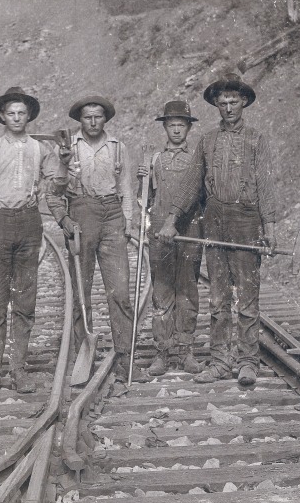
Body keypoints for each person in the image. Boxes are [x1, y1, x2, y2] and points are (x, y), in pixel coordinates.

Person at [158, 72, 278, 389]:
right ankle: (221, 360)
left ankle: (248, 361)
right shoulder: (208, 142)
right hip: (214, 219)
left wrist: (271, 226)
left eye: (233, 101)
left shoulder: (256, 140)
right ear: (216, 105)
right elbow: (189, 184)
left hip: (246, 220)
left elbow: (266, 185)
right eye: (222, 102)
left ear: (244, 103)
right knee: (218, 298)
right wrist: (171, 219)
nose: (227, 107)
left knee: (248, 298)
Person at [0, 87, 61, 395]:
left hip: (28, 222)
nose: (17, 118)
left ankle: (18, 369)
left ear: (29, 116)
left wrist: (64, 162)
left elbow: (57, 183)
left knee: (25, 299)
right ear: (2, 116)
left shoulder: (40, 149)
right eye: (11, 113)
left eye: (22, 113)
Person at [46, 96, 135, 388]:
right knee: (81, 291)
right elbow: (53, 190)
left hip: (112, 215)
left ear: (105, 119)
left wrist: (128, 222)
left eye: (98, 117)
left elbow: (126, 187)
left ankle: (125, 359)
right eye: (87, 118)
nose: (93, 122)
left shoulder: (118, 148)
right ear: (80, 120)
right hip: (81, 212)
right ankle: (84, 355)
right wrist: (64, 219)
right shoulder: (66, 148)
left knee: (120, 291)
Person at [136, 100, 205, 377]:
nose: (176, 130)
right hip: (160, 235)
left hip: (190, 232)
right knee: (162, 292)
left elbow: (203, 196)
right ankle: (163, 352)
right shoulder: (154, 160)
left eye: (181, 125)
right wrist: (140, 180)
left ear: (188, 127)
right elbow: (145, 200)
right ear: (165, 127)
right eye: (172, 125)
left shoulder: (197, 158)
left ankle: (186, 351)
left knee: (187, 290)